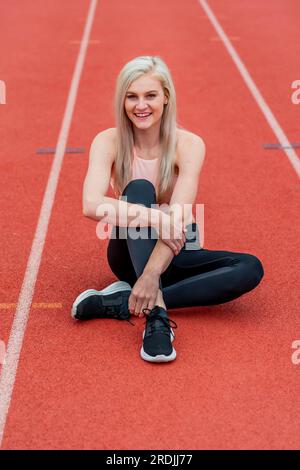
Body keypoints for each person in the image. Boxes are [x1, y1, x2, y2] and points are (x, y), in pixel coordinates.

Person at [71, 55, 264, 364]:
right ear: (122, 100)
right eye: (131, 96)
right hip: (127, 252)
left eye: (150, 95)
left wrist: (149, 277)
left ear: (166, 97)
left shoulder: (189, 145)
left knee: (250, 268)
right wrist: (155, 217)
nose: (140, 105)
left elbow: (178, 222)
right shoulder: (107, 141)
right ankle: (156, 318)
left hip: (175, 249)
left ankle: (128, 300)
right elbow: (91, 204)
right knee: (138, 189)